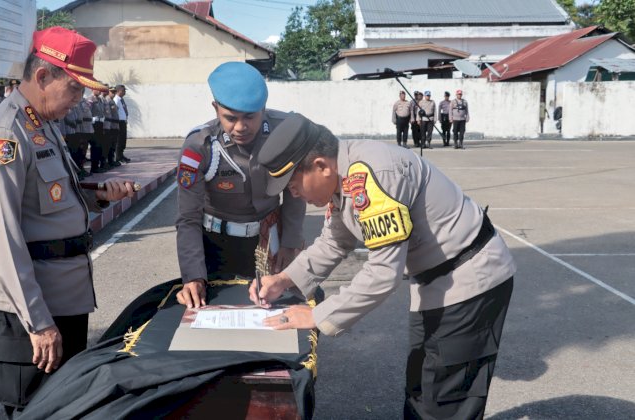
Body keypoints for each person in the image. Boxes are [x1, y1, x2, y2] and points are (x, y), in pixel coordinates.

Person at [251, 113, 516, 420]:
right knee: (422, 388)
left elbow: (383, 272)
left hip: (469, 281)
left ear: (321, 166)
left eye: (293, 183)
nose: (293, 194)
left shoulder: (371, 175)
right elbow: (336, 240)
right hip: (437, 282)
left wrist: (316, 314)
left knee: (444, 399)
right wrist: (283, 279)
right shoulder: (343, 172)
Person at [0, 26, 136, 417]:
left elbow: (52, 198)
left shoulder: (41, 124)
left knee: (67, 409)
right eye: (75, 89)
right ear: (43, 76)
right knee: (36, 411)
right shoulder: (5, 132)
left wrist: (97, 197)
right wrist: (38, 321)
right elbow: (4, 236)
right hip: (34, 308)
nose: (79, 100)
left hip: (64, 297)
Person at [174, 62, 306, 309]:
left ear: (263, 109)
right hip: (216, 245)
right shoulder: (200, 146)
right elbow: (188, 217)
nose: (241, 127)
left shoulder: (285, 133)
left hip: (269, 241)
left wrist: (290, 242)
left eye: (250, 117)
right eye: (230, 118)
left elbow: (295, 196)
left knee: (274, 314)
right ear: (215, 109)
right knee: (215, 318)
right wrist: (193, 275)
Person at [88, 87, 107, 173]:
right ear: (92, 89)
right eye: (97, 89)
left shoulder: (100, 99)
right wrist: (93, 119)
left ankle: (98, 165)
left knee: (100, 146)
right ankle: (94, 167)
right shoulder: (90, 99)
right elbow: (88, 112)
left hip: (100, 124)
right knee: (95, 146)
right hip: (93, 124)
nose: (99, 91)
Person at [113, 84, 131, 163]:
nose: (124, 92)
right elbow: (114, 111)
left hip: (123, 122)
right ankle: (118, 157)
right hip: (119, 122)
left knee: (123, 140)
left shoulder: (121, 99)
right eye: (123, 91)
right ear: (118, 91)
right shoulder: (116, 100)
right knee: (119, 140)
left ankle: (121, 155)